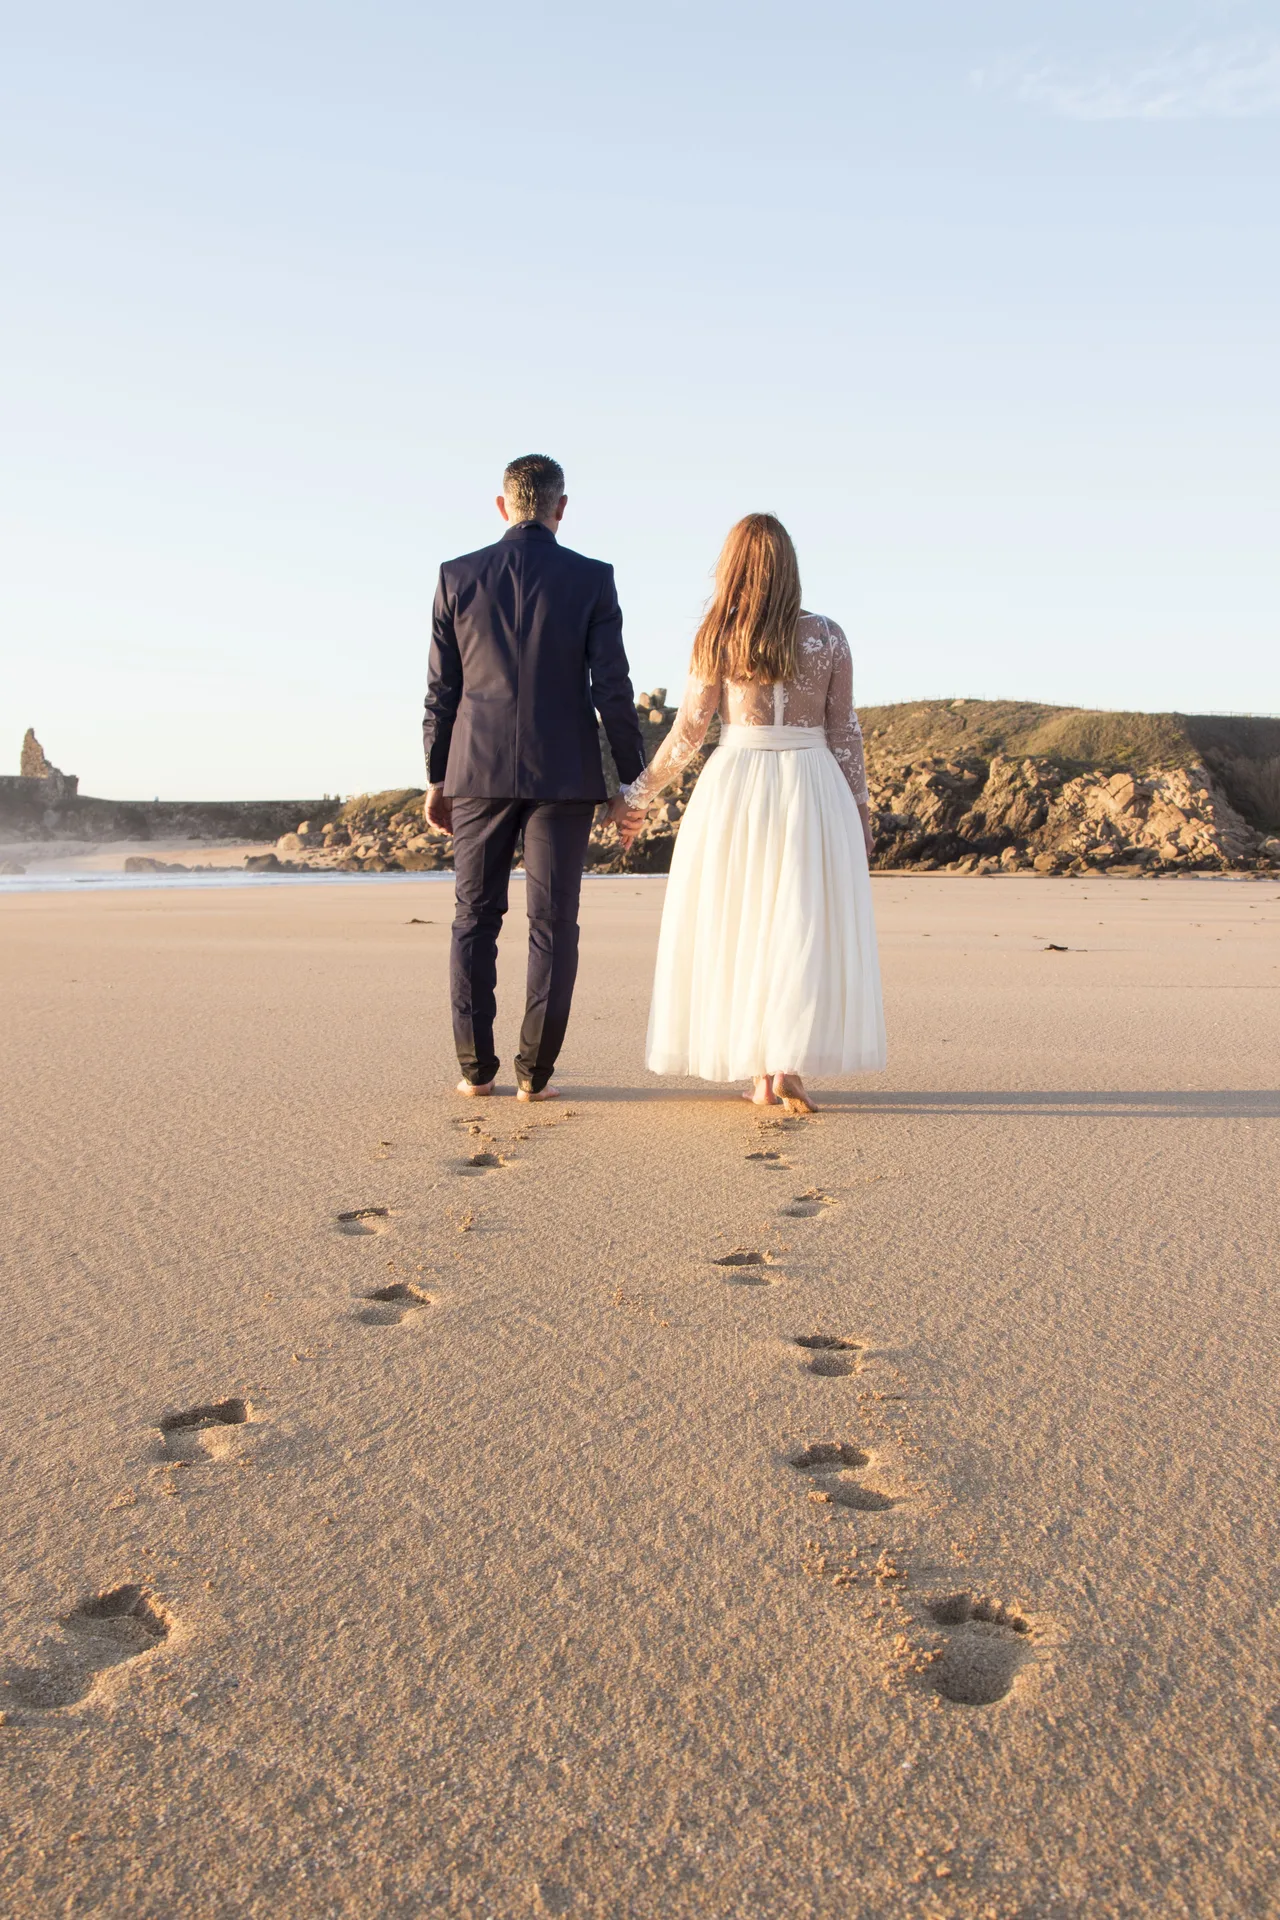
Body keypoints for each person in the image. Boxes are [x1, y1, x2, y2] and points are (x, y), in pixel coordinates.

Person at [620, 513, 886, 1109]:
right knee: (801, 920)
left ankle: (763, 1075)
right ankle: (786, 1066)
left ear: (733, 565)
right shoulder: (829, 635)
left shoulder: (719, 634)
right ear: (789, 565)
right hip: (814, 782)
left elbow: (688, 733)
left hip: (738, 785)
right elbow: (844, 731)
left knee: (742, 921)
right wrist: (861, 809)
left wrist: (636, 796)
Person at [423, 455, 644, 1101]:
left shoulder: (456, 576)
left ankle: (474, 1070)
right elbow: (614, 689)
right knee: (553, 923)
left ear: (502, 506)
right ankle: (534, 1075)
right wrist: (631, 781)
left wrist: (437, 776)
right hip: (564, 773)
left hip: (476, 771)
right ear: (560, 507)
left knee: (474, 918)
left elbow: (442, 690)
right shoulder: (592, 579)